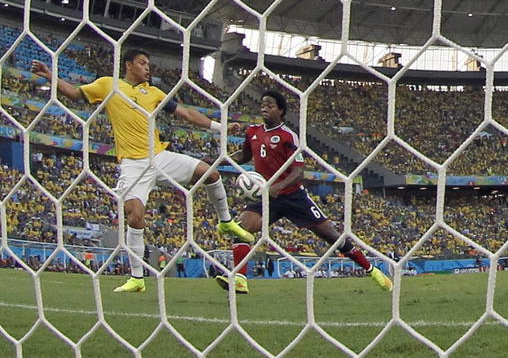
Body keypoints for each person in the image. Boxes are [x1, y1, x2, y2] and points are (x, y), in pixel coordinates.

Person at [31, 49, 254, 293]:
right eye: (142, 63)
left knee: (210, 173)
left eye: (148, 63)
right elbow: (75, 94)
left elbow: (187, 114)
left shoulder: (154, 92)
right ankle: (137, 278)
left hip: (159, 157)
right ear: (129, 65)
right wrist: (50, 75)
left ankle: (225, 222)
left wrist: (221, 127)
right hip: (133, 164)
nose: (147, 67)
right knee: (135, 216)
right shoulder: (109, 85)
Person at [214, 89, 392, 294]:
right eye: (262, 105)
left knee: (332, 236)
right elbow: (244, 156)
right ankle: (239, 279)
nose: (264, 108)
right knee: (241, 229)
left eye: (270, 105)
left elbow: (298, 171)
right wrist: (218, 161)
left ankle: (372, 270)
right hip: (265, 196)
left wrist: (279, 186)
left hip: (292, 196)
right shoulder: (253, 131)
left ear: (281, 110)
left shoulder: (288, 136)